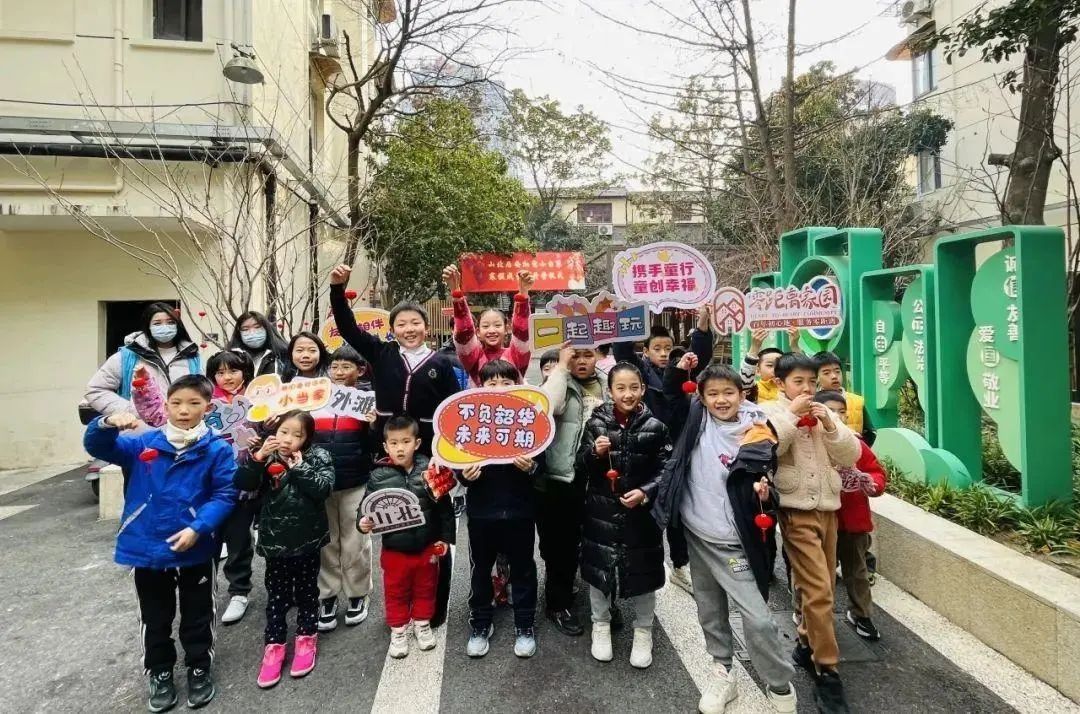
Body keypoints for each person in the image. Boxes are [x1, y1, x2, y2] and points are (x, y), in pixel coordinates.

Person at [83, 375, 237, 712]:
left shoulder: (217, 449)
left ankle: (199, 667)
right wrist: (106, 423)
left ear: (208, 407)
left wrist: (198, 528)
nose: (184, 410)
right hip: (147, 547)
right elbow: (99, 447)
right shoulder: (143, 443)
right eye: (177, 403)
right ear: (165, 405)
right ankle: (160, 671)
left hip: (196, 548)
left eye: (194, 403)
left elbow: (225, 494)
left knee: (198, 613)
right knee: (154, 617)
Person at [655, 359, 797, 714]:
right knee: (710, 610)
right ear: (702, 398)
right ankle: (723, 672)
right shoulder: (696, 420)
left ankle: (779, 682)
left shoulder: (760, 432)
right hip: (697, 534)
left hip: (735, 542)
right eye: (713, 393)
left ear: (742, 394)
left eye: (729, 393)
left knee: (759, 618)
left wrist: (765, 494)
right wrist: (682, 364)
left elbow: (769, 486)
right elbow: (670, 393)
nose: (721, 400)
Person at [327, 264, 460, 627]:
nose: (409, 329)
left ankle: (434, 610)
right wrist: (337, 289)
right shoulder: (381, 354)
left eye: (415, 323)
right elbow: (348, 328)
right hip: (388, 453)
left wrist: (446, 456)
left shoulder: (441, 363)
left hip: (429, 456)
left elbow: (453, 411)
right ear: (392, 329)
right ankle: (401, 609)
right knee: (396, 525)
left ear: (426, 327)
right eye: (401, 324)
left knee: (436, 528)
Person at [762, 353, 859, 714]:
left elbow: (850, 455)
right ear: (781, 383)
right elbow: (769, 448)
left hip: (829, 508)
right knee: (819, 589)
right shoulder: (770, 411)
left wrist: (830, 424)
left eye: (811, 382)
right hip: (796, 510)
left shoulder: (825, 413)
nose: (806, 388)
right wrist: (791, 416)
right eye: (798, 382)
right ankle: (828, 671)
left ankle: (805, 642)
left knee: (822, 585)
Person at [577, 362, 671, 668]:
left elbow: (666, 470)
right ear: (610, 391)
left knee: (644, 571)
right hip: (601, 511)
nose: (627, 394)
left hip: (640, 515)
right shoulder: (596, 423)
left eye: (633, 387)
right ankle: (600, 625)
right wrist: (594, 453)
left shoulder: (656, 427)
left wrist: (645, 492)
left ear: (643, 389)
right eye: (620, 388)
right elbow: (580, 466)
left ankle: (643, 631)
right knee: (599, 569)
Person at [613, 310, 712, 595]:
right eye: (656, 348)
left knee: (677, 512)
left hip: (678, 448)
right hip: (647, 452)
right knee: (648, 514)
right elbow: (622, 354)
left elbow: (699, 356)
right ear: (645, 351)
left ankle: (681, 564)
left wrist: (702, 327)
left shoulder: (683, 369)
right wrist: (628, 317)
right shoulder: (640, 374)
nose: (664, 353)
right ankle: (650, 568)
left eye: (667, 348)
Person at [235, 411, 334, 689]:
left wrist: (300, 468)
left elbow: (324, 489)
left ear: (308, 438)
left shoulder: (318, 457)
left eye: (297, 435)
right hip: (275, 541)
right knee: (276, 596)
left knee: (307, 592)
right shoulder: (265, 455)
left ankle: (306, 637)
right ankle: (274, 645)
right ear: (274, 432)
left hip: (307, 540)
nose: (288, 439)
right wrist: (257, 458)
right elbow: (243, 484)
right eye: (283, 432)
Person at [459, 360, 540, 660]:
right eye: (491, 383)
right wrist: (464, 476)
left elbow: (543, 464)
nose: (499, 388)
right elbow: (457, 460)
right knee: (480, 569)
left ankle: (525, 623)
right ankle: (481, 622)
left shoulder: (529, 420)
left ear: (517, 385)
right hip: (482, 512)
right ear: (481, 388)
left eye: (507, 382)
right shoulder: (471, 421)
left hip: (520, 511)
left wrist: (532, 467)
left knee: (523, 568)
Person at [359, 416, 456, 658]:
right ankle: (398, 630)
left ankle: (423, 624)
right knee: (395, 591)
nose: (400, 448)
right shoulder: (378, 475)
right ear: (385, 446)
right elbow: (365, 507)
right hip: (394, 550)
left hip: (427, 546)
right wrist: (363, 522)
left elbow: (444, 509)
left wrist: (445, 539)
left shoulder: (430, 470)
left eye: (405, 441)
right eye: (394, 443)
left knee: (426, 588)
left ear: (417, 443)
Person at [536, 343, 607, 637]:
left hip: (599, 478)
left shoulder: (607, 383)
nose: (581, 361)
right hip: (560, 478)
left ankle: (606, 604)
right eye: (575, 355)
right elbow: (548, 407)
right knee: (560, 548)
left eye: (588, 354)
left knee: (600, 544)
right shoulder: (557, 382)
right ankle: (558, 604)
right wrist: (561, 369)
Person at [813, 391, 886, 642]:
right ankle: (809, 614)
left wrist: (872, 484)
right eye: (830, 411)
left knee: (857, 571)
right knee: (817, 571)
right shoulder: (809, 443)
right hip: (821, 520)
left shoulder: (854, 443)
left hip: (853, 522)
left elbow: (876, 472)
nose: (837, 416)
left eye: (842, 412)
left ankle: (862, 614)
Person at [314, 345, 375, 632]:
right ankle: (327, 596)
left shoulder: (367, 399)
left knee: (356, 540)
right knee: (326, 540)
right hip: (321, 480)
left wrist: (374, 425)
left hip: (355, 479)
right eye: (334, 367)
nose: (338, 372)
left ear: (359, 371)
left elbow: (377, 443)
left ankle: (357, 593)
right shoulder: (315, 397)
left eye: (346, 367)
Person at [85, 302, 201, 427]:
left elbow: (203, 394)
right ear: (148, 326)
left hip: (183, 432)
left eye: (170, 322)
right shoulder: (127, 357)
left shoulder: (192, 357)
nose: (165, 327)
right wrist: (131, 412)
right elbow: (96, 390)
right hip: (139, 431)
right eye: (157, 323)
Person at [442, 264, 534, 386]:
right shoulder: (474, 359)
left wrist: (523, 294)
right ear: (478, 332)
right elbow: (464, 335)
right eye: (485, 326)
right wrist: (456, 292)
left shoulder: (516, 356)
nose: (491, 330)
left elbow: (523, 334)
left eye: (497, 325)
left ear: (507, 329)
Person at [813, 351, 875, 445]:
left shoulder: (856, 401)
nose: (834, 376)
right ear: (816, 377)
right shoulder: (813, 402)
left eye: (837, 371)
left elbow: (870, 432)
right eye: (826, 373)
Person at [226, 311, 289, 376]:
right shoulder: (233, 358)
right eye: (245, 329)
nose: (252, 333)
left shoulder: (283, 354)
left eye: (257, 327)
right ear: (239, 333)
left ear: (267, 328)